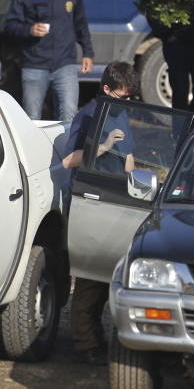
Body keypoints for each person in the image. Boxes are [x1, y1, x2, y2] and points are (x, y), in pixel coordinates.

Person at [61, 60, 139, 365]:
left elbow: (129, 157)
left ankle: (109, 340)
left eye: (132, 98)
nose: (128, 103)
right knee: (90, 276)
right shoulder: (87, 116)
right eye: (123, 97)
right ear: (106, 89)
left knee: (115, 272)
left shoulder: (121, 112)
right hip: (90, 199)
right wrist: (103, 146)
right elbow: (68, 159)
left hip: (120, 198)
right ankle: (85, 343)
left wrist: (136, 185)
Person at [3, 0, 94, 121]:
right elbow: (10, 25)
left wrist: (88, 52)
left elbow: (80, 23)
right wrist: (29, 29)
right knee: (32, 117)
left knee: (68, 114)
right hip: (34, 64)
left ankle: (66, 149)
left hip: (64, 62)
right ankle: (33, 149)